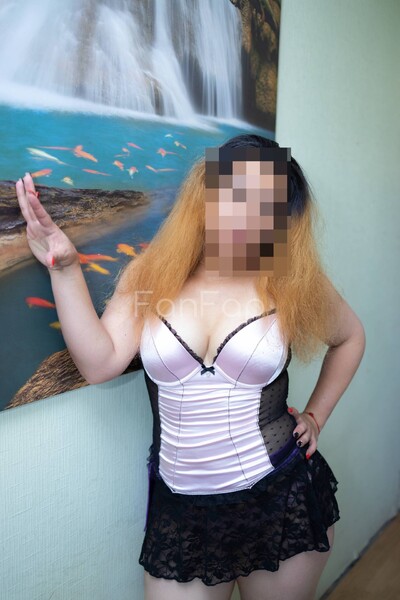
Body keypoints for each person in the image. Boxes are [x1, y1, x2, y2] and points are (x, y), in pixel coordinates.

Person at [16, 134, 366, 600]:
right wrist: (64, 268)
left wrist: (317, 415)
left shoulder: (293, 280)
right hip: (181, 512)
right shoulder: (151, 274)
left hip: (280, 497)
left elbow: (350, 337)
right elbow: (100, 364)